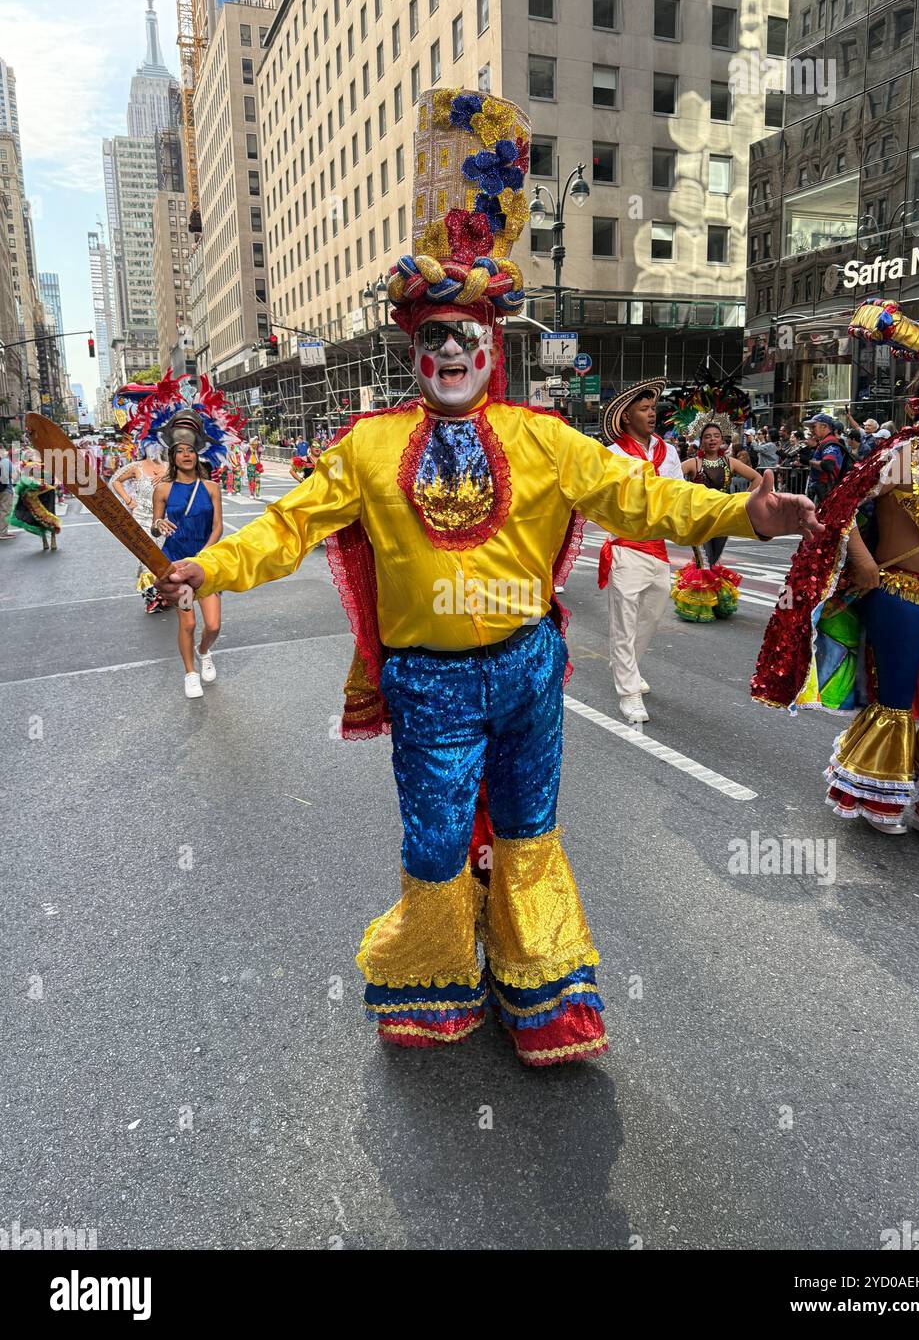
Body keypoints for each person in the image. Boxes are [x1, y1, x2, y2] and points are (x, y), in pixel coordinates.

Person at [158, 86, 819, 1065]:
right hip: (428, 681)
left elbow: (646, 503)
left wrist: (743, 513)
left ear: (491, 344)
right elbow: (288, 531)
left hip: (528, 671)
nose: (451, 352)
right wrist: (204, 562)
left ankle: (541, 984)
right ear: (413, 349)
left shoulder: (545, 439)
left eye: (467, 335)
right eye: (432, 338)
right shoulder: (369, 448)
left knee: (529, 829)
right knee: (433, 842)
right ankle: (434, 975)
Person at [754, 298, 919, 845]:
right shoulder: (904, 455)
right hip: (898, 595)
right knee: (896, 697)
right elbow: (842, 508)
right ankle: (880, 794)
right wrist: (865, 563)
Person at [598, 378, 684, 724]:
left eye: (653, 409)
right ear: (626, 416)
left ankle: (626, 664)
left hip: (658, 549)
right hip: (625, 547)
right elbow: (604, 501)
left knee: (651, 616)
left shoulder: (669, 451)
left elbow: (678, 494)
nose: (652, 414)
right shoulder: (613, 455)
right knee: (625, 623)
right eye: (644, 409)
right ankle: (628, 693)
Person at [153, 417, 224, 698]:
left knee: (214, 625)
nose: (186, 455)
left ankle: (204, 651)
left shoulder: (211, 488)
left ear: (197, 454)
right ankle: (190, 673)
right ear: (173, 456)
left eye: (191, 450)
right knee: (189, 622)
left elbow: (217, 526)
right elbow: (155, 523)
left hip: (205, 564)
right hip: (177, 566)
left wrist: (206, 553)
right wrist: (158, 524)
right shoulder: (163, 489)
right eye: (180, 450)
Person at [671, 415, 761, 622]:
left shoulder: (731, 462)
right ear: (701, 440)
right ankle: (698, 607)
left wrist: (744, 502)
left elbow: (758, 478)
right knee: (703, 562)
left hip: (723, 519)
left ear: (722, 440)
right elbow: (669, 477)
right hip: (699, 520)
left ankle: (713, 601)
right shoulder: (694, 463)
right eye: (708, 436)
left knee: (713, 561)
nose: (712, 440)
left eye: (716, 436)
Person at [110, 447, 170, 612]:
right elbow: (115, 481)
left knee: (164, 558)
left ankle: (165, 594)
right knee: (147, 558)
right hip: (142, 518)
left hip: (165, 519)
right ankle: (151, 598)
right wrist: (129, 500)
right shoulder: (136, 467)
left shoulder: (169, 466)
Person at [8, 452, 61, 550]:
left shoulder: (49, 461)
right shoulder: (28, 464)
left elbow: (56, 476)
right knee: (38, 517)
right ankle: (44, 539)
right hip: (36, 494)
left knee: (51, 514)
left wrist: (56, 483)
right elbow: (25, 479)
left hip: (49, 493)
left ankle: (53, 539)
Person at [804, 412, 851, 505]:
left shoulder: (829, 442)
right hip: (823, 489)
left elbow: (828, 465)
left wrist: (808, 461)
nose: (811, 430)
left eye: (813, 427)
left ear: (824, 426)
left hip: (827, 490)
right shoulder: (825, 442)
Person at [0, 444, 15, 540]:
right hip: (5, 489)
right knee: (5, 510)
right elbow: (13, 476)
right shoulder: (5, 461)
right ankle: (2, 532)